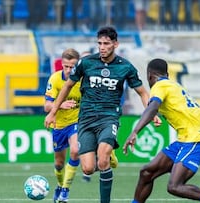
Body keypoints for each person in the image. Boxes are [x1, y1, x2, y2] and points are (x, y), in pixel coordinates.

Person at [44, 26, 152, 203]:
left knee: (102, 162)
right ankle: (106, 156)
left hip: (109, 118)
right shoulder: (86, 63)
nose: (102, 47)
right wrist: (53, 112)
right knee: (87, 168)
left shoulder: (125, 67)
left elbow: (142, 92)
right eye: (100, 43)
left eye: (106, 44)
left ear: (115, 44)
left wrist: (151, 111)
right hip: (86, 119)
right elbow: (67, 86)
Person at [123, 58, 200, 203]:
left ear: (150, 76)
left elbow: (153, 107)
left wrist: (135, 131)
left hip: (195, 139)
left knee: (174, 186)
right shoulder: (173, 85)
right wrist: (155, 114)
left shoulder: (159, 85)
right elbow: (164, 108)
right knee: (147, 172)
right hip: (185, 139)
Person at [44, 48, 81, 203]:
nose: (68, 70)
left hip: (77, 122)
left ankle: (65, 190)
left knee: (75, 150)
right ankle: (60, 185)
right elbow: (46, 106)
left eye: (72, 67)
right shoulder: (55, 79)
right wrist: (60, 105)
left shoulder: (83, 80)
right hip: (59, 125)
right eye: (65, 66)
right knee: (59, 163)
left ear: (77, 65)